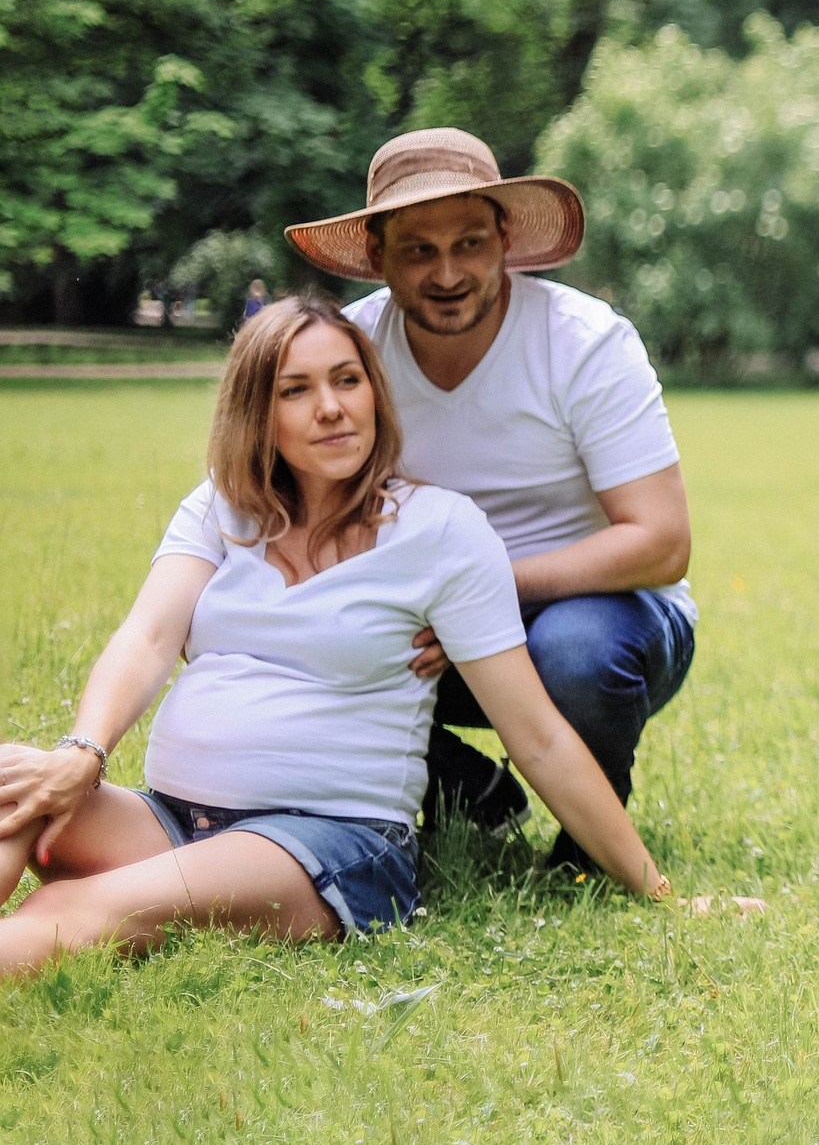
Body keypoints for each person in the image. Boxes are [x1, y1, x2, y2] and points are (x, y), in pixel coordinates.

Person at [0, 298, 670, 975]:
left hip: (328, 842)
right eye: (296, 389)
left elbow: (540, 736)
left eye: (347, 380)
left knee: (78, 909)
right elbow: (146, 638)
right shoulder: (220, 506)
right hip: (174, 818)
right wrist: (81, 753)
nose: (331, 406)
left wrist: (658, 888)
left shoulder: (442, 531)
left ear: (375, 392)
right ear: (257, 412)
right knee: (11, 787)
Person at [283, 129, 696, 870]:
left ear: (505, 237)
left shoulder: (585, 342)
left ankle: (590, 848)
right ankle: (462, 786)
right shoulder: (350, 355)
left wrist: (488, 586)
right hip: (426, 617)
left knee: (576, 652)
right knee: (275, 631)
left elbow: (662, 542)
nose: (448, 273)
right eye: (418, 251)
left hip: (603, 613)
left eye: (469, 243)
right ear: (377, 254)